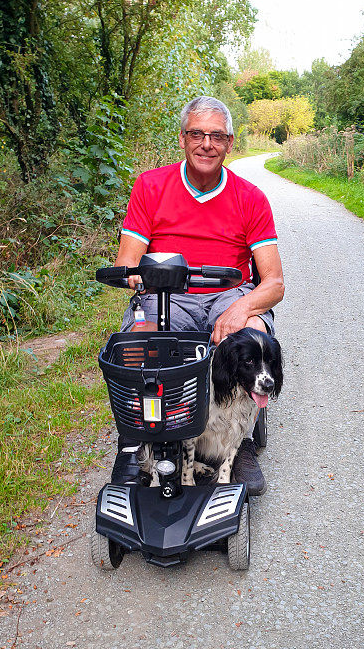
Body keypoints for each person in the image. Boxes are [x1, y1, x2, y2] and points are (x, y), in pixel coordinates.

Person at [111, 95, 285, 494]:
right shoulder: (151, 186)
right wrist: (135, 277)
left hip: (231, 292)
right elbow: (127, 262)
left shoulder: (251, 197)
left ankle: (237, 444)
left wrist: (243, 307)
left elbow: (274, 283)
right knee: (138, 340)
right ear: (182, 138)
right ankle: (136, 440)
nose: (207, 144)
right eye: (197, 134)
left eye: (217, 136)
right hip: (169, 291)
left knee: (254, 333)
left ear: (230, 142)